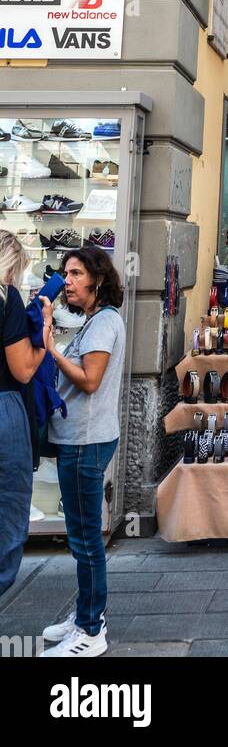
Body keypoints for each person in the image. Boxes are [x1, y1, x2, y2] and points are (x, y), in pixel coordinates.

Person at [39, 246, 126, 659]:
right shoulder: (95, 321)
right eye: (65, 273)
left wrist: (51, 349)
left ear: (97, 280)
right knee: (82, 538)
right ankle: (86, 615)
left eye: (75, 274)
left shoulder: (104, 323)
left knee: (87, 540)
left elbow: (90, 381)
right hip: (81, 438)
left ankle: (91, 631)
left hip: (85, 441)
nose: (67, 281)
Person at [0, 231, 49, 596]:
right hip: (4, 407)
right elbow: (23, 370)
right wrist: (45, 335)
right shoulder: (7, 300)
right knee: (10, 512)